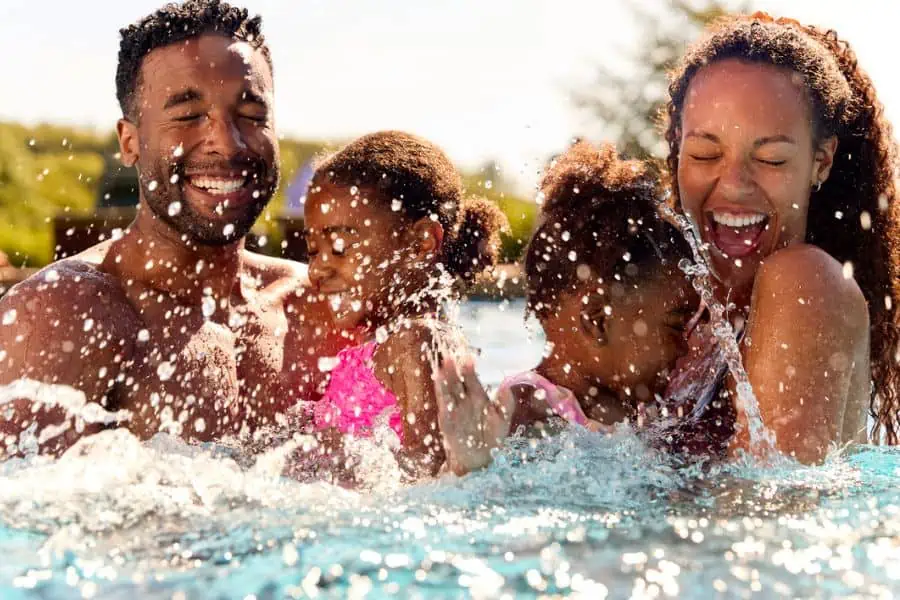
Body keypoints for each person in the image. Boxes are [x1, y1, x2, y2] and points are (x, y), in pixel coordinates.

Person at [0, 0, 338, 458]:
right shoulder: (64, 314)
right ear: (130, 140)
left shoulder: (316, 307)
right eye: (187, 115)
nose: (227, 142)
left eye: (253, 116)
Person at [664, 13, 900, 462]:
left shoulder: (805, 281)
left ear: (821, 162)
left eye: (771, 159)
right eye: (705, 153)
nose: (733, 185)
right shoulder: (683, 308)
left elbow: (770, 510)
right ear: (677, 149)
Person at [435, 141, 700, 471]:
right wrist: (474, 467)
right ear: (597, 321)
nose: (686, 345)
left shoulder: (638, 409)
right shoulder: (528, 407)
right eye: (676, 325)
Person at [302, 130, 512, 477]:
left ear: (421, 242)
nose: (317, 268)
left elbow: (427, 472)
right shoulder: (390, 341)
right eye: (312, 251)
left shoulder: (415, 341)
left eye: (339, 247)